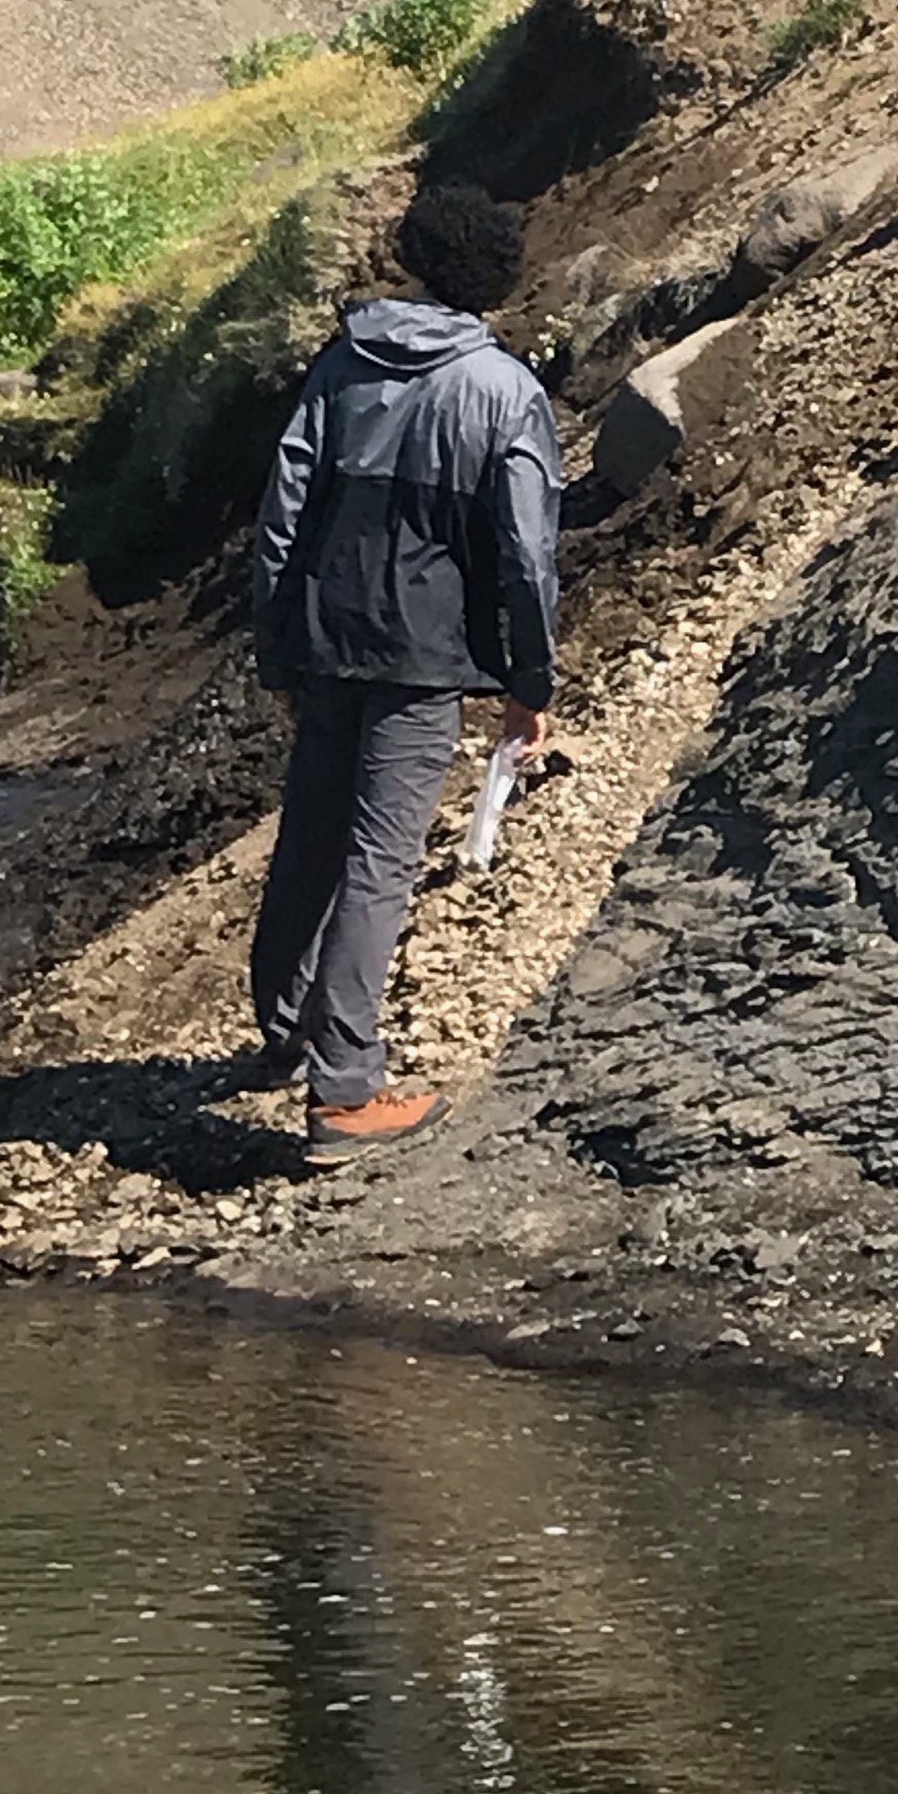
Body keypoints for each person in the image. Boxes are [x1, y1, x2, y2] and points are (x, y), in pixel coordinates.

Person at [245, 176, 562, 1162]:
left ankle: (284, 1032)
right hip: (424, 662)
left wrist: (276, 643)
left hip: (326, 637)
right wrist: (530, 681)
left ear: (417, 256)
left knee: (311, 835)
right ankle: (344, 1093)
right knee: (379, 864)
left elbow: (282, 512)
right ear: (498, 279)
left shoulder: (344, 362)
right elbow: (525, 556)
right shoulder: (503, 391)